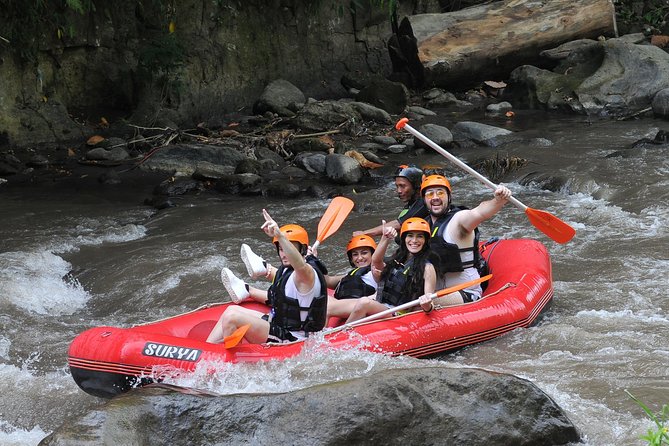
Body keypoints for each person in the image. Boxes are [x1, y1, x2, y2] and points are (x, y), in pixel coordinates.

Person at [206, 210, 328, 344]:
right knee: (230, 310)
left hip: (295, 339)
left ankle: (231, 361)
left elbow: (300, 266)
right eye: (281, 249)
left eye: (287, 249)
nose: (284, 254)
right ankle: (205, 351)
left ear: (302, 250)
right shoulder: (286, 271)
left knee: (232, 317)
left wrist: (280, 236)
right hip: (280, 326)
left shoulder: (307, 274)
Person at [420, 174, 511, 306]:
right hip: (436, 291)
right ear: (424, 199)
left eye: (440, 193)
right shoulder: (423, 227)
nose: (435, 198)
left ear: (449, 196)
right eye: (429, 194)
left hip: (466, 292)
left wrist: (498, 201)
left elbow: (479, 213)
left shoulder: (459, 220)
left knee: (418, 304)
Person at [345, 217, 437, 323]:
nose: (414, 240)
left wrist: (426, 305)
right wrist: (385, 238)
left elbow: (430, 305)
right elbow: (375, 261)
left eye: (419, 236)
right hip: (381, 303)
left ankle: (340, 336)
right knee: (331, 306)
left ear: (425, 240)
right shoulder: (398, 258)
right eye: (410, 236)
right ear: (404, 239)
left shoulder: (428, 268)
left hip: (397, 312)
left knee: (363, 302)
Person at [353, 165, 428, 237]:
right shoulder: (412, 202)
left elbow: (398, 224)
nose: (398, 191)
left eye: (402, 186)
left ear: (416, 185)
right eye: (397, 186)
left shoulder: (424, 202)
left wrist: (364, 233)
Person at [324, 234, 379, 319]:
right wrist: (313, 260)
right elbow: (327, 281)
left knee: (327, 307)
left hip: (362, 306)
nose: (360, 258)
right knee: (324, 298)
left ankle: (321, 332)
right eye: (355, 254)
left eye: (364, 253)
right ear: (351, 259)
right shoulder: (349, 275)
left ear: (373, 254)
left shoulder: (377, 271)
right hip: (346, 306)